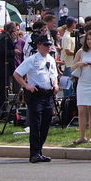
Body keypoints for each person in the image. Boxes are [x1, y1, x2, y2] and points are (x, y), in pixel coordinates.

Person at [12, 35, 58, 163]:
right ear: (39, 46)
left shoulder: (51, 59)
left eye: (49, 45)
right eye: (46, 45)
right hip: (36, 95)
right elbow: (17, 74)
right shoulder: (31, 59)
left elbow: (54, 75)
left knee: (46, 124)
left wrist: (56, 84)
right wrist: (26, 86)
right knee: (35, 124)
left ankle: (40, 150)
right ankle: (34, 153)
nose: (49, 47)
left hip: (48, 95)